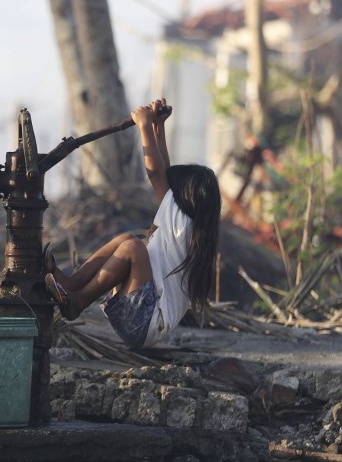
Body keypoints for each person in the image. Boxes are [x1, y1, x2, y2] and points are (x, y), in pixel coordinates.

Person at [44, 98, 221, 349]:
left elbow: (157, 174)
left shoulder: (183, 224)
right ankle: (71, 284)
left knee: (134, 248)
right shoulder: (190, 224)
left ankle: (79, 301)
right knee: (127, 240)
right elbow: (164, 173)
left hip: (145, 322)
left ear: (187, 198)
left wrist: (145, 126)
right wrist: (158, 127)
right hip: (142, 319)